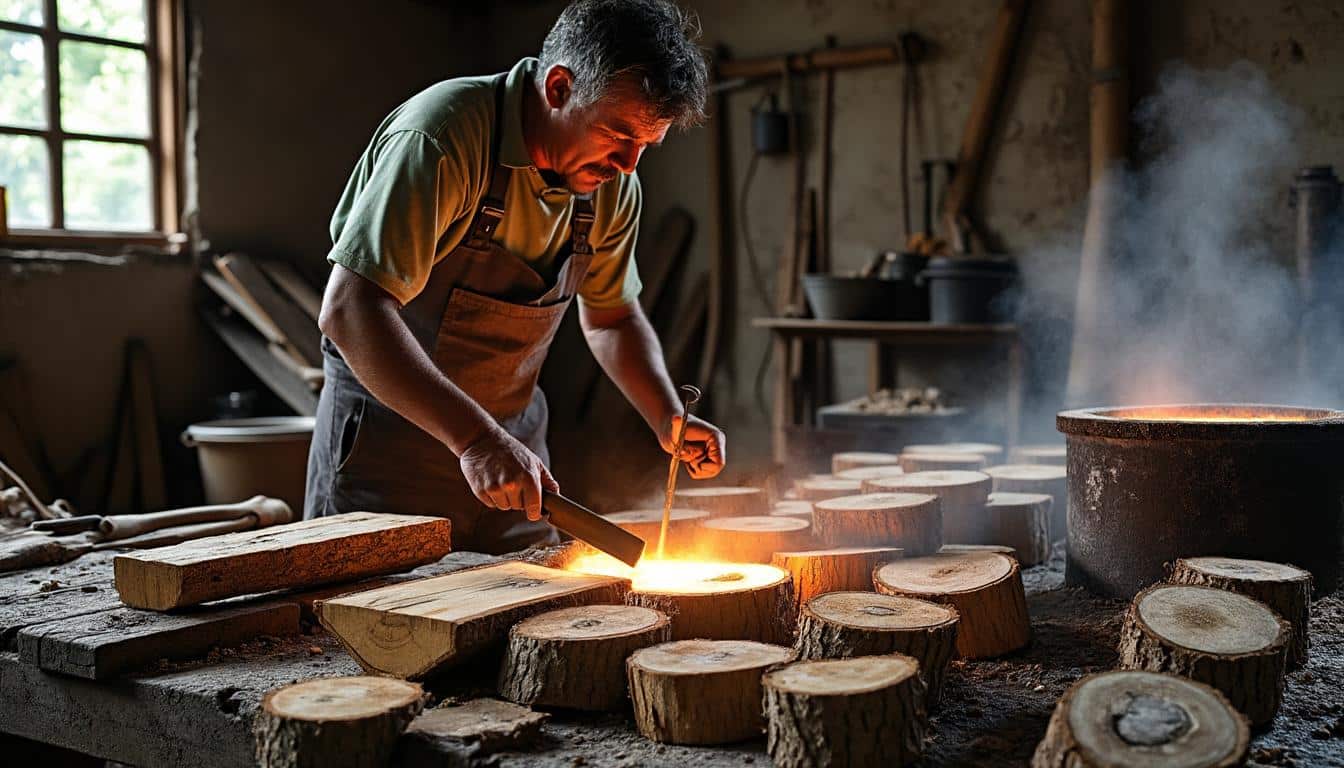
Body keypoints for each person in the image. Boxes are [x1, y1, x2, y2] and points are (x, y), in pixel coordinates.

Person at [304, 0, 726, 554]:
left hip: (517, 458)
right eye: (618, 136)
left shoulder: (610, 186)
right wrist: (476, 439)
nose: (628, 166)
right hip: (388, 455)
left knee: (534, 616)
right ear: (557, 88)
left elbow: (613, 318)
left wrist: (667, 415)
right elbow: (351, 311)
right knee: (376, 626)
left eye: (645, 147)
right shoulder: (444, 136)